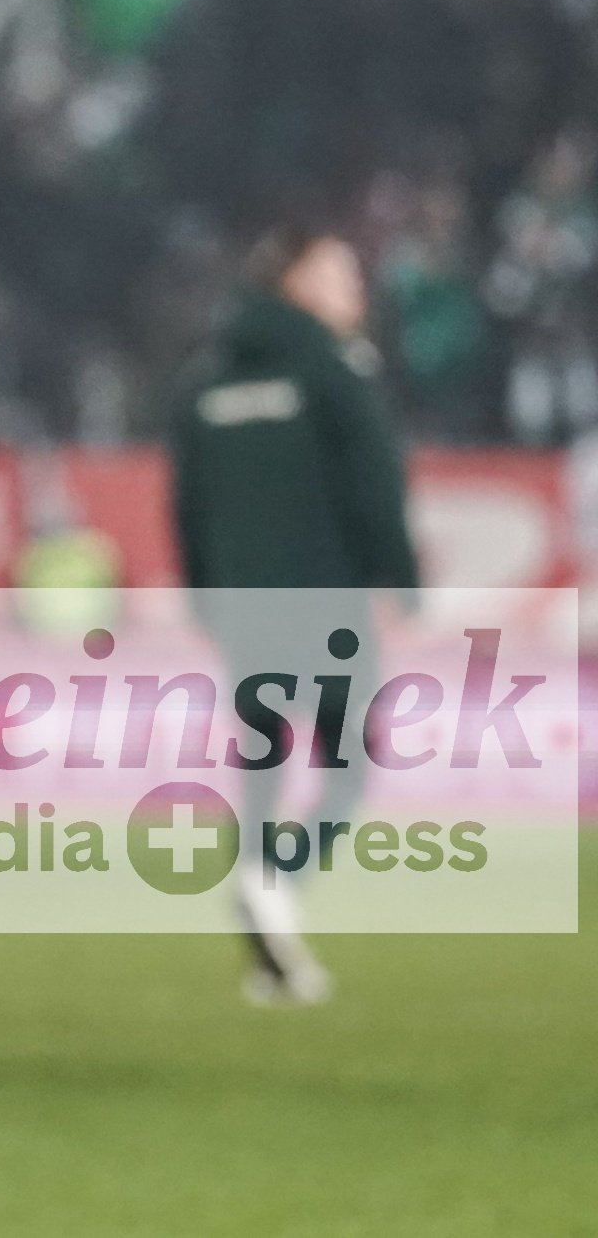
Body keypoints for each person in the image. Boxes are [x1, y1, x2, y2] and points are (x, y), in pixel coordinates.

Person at [168, 222, 419, 1006]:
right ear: (299, 280)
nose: (356, 289)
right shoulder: (335, 368)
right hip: (327, 596)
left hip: (243, 603)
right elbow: (375, 479)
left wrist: (204, 593)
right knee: (351, 755)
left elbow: (186, 501)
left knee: (264, 748)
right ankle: (281, 876)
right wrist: (401, 580)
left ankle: (259, 883)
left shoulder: (205, 378)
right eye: (342, 273)